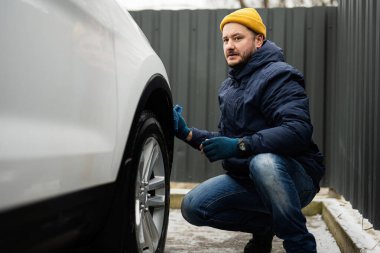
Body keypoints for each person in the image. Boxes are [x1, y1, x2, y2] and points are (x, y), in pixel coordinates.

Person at [172, 8, 325, 253]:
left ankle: (300, 245)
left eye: (237, 38)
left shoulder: (280, 76)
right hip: (249, 179)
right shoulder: (230, 87)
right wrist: (187, 133)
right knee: (193, 206)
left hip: (295, 178)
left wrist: (241, 145)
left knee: (263, 163)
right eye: (225, 40)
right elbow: (228, 140)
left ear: (258, 40)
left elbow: (297, 131)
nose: (229, 45)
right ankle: (265, 226)